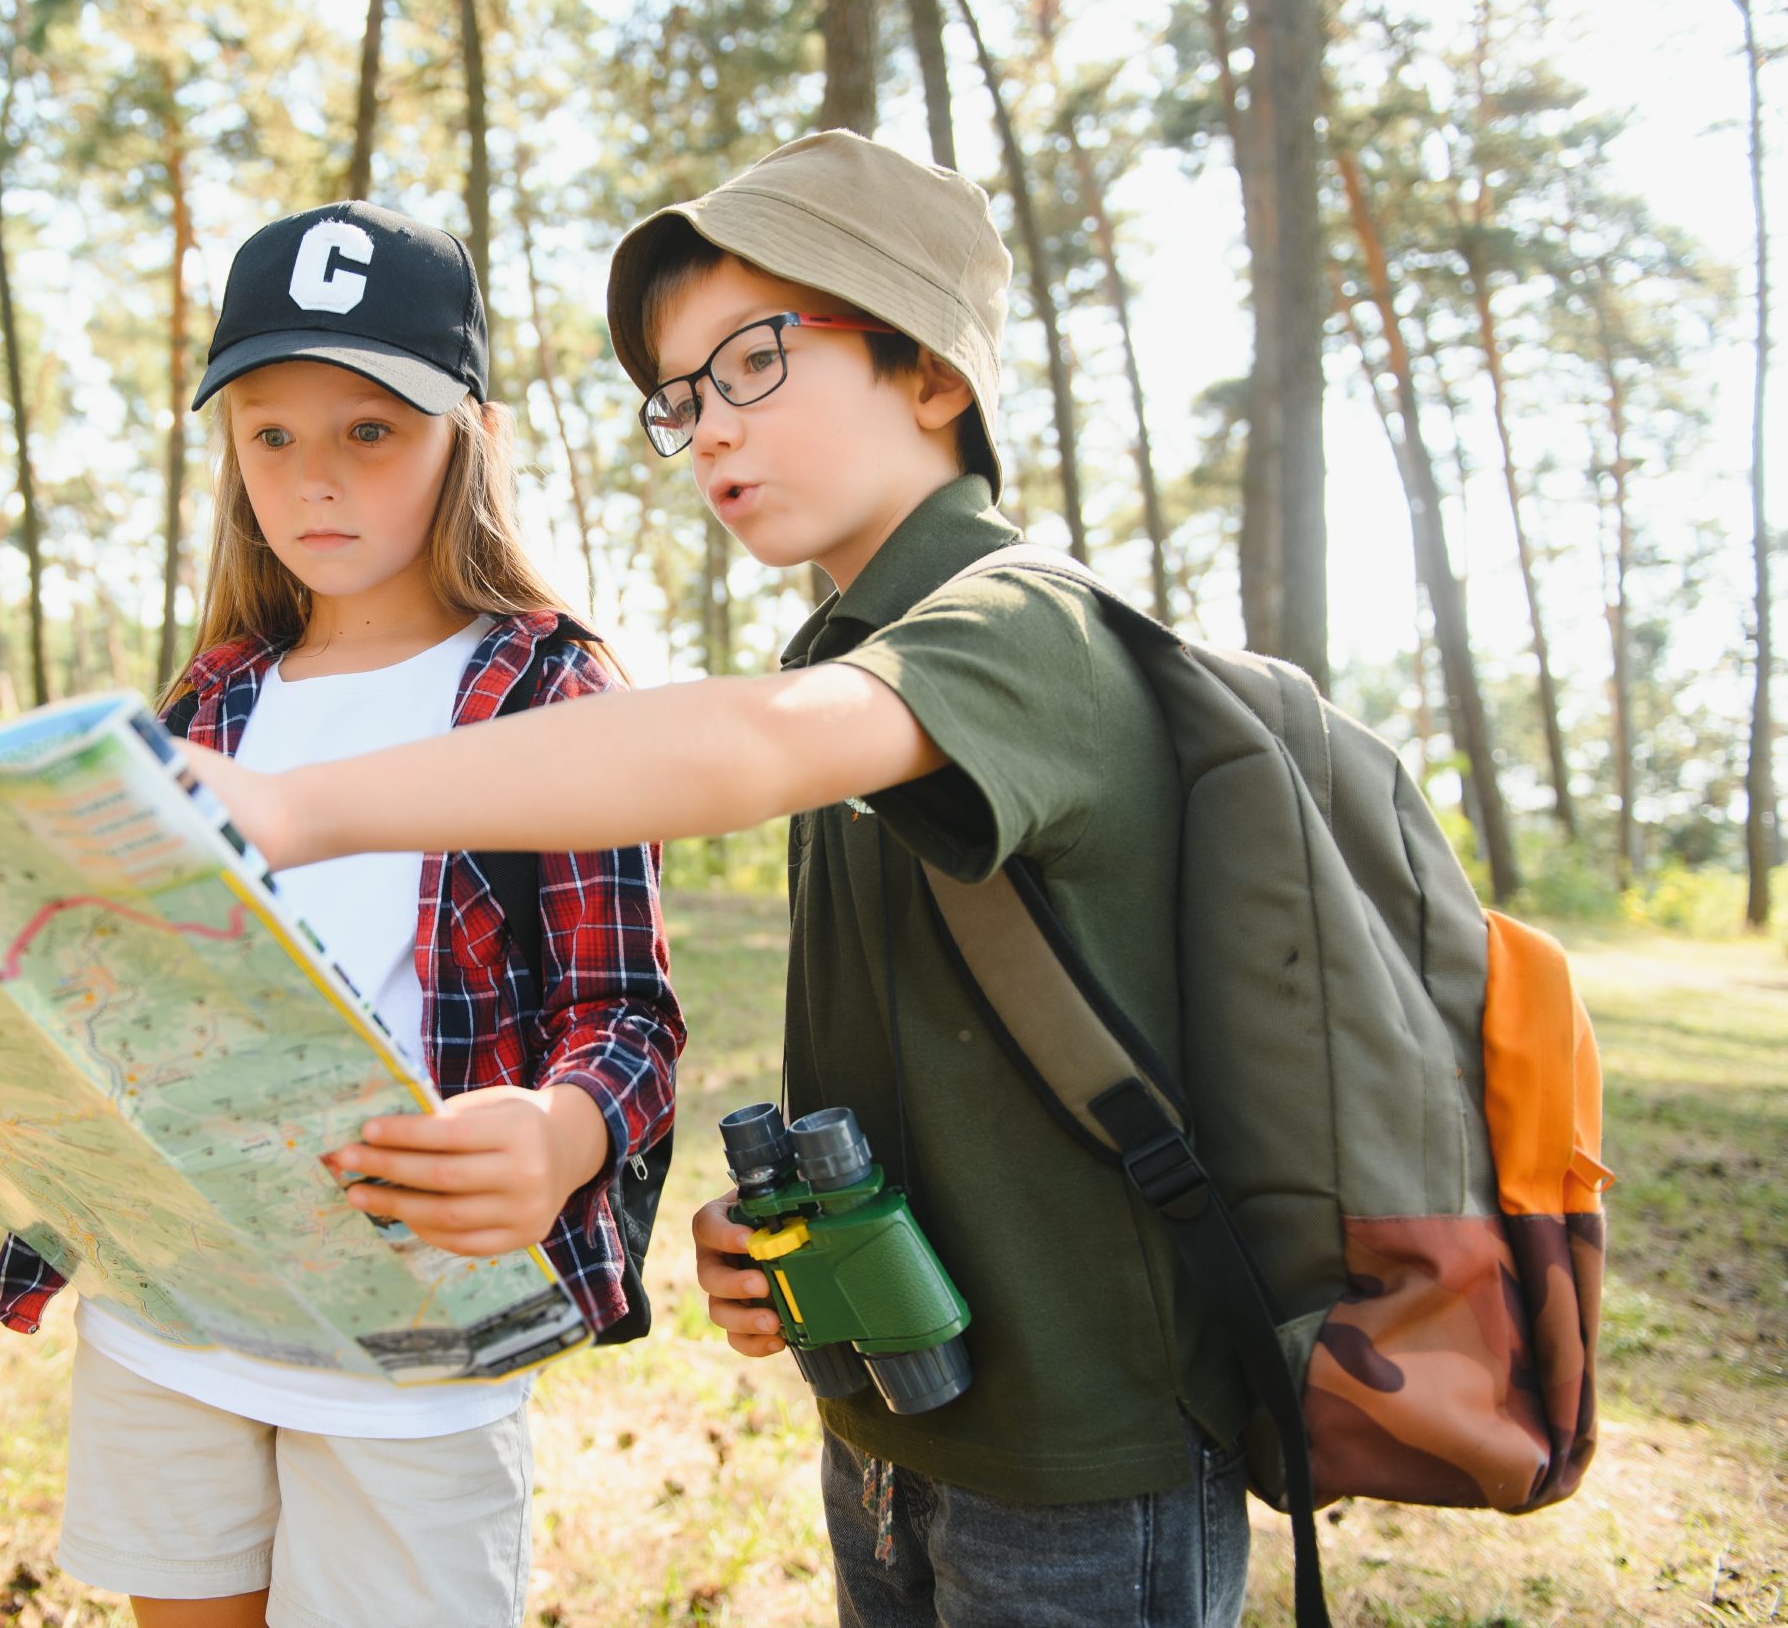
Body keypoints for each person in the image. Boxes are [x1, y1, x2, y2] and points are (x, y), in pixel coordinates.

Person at [181, 134, 1255, 1628]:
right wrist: (781, 1238)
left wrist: (296, 807)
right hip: (903, 1414)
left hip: (1088, 1448)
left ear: (934, 372)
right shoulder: (860, 656)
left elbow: (736, 744)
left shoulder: (1015, 626)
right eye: (679, 400)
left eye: (753, 364)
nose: (706, 432)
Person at [0, 200, 683, 1628]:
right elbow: (82, 985)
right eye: (271, 432)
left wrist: (563, 1130)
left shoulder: (545, 690)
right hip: (170, 1312)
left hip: (412, 1339)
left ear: (462, 434)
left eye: (370, 431)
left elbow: (625, 1013)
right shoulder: (208, 702)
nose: (314, 479)